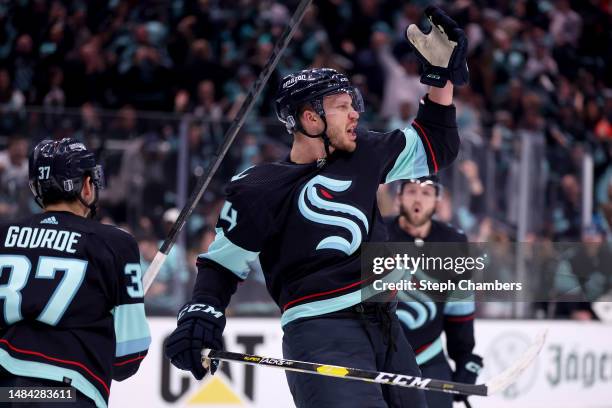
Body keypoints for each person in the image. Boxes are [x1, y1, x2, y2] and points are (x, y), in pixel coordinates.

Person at [164, 6, 467, 407]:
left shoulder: (366, 153)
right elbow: (222, 264)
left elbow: (437, 145)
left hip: (388, 328)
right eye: (342, 105)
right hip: (321, 333)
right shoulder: (260, 186)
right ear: (310, 118)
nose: (355, 112)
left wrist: (439, 78)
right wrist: (201, 313)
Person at [0, 138, 151, 408]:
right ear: (86, 185)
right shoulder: (114, 243)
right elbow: (127, 360)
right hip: (63, 394)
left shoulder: (3, 235)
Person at [386, 176, 482, 408]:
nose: (418, 198)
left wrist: (464, 359)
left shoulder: (453, 242)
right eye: (411, 191)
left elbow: (460, 309)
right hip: (380, 359)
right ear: (398, 198)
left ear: (437, 201)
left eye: (426, 193)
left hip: (427, 356)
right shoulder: (377, 233)